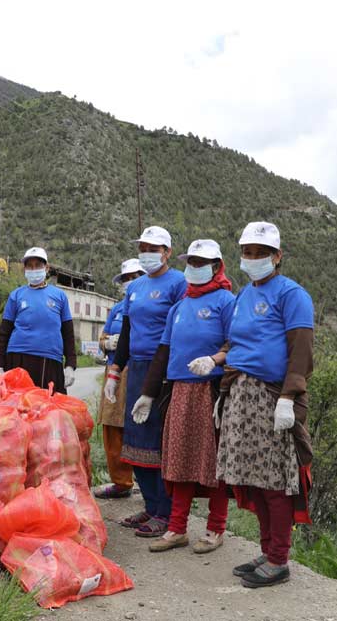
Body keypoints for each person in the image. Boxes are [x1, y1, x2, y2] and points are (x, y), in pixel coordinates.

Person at [213, 221, 314, 588]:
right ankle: (267, 549)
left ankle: (279, 559)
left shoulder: (292, 295)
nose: (253, 258)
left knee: (274, 482)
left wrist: (288, 397)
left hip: (271, 397)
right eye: (248, 252)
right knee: (254, 481)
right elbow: (235, 343)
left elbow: (301, 350)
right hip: (240, 396)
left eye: (261, 253)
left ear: (277, 256)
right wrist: (216, 361)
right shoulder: (244, 296)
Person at [136, 239, 235, 554]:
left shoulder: (226, 301)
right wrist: (148, 393)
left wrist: (215, 360)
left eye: (201, 262)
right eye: (191, 261)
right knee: (178, 458)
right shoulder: (179, 306)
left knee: (213, 461)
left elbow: (236, 343)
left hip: (210, 390)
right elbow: (164, 350)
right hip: (179, 389)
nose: (194, 267)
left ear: (216, 267)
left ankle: (215, 528)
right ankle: (177, 528)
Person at [107, 226, 187, 537]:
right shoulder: (136, 287)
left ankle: (165, 512)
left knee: (157, 443)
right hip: (137, 367)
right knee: (135, 441)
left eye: (153, 248)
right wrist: (116, 370)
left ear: (167, 252)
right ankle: (151, 506)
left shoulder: (178, 283)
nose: (147, 253)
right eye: (143, 248)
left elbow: (180, 327)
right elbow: (127, 331)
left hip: (163, 368)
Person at [93, 258, 144, 500]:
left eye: (134, 277)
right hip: (114, 372)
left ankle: (146, 481)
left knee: (139, 424)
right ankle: (121, 482)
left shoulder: (151, 305)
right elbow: (102, 337)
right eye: (126, 279)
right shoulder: (117, 308)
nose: (129, 282)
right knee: (112, 424)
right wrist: (107, 343)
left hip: (138, 369)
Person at [0, 247, 76, 392]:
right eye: (29, 266)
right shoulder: (16, 295)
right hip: (17, 358)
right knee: (18, 403)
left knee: (48, 404)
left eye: (38, 265)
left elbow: (68, 334)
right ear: (24, 269)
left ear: (46, 268)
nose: (33, 269)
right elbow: (4, 333)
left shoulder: (60, 296)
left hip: (50, 360)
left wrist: (70, 365)